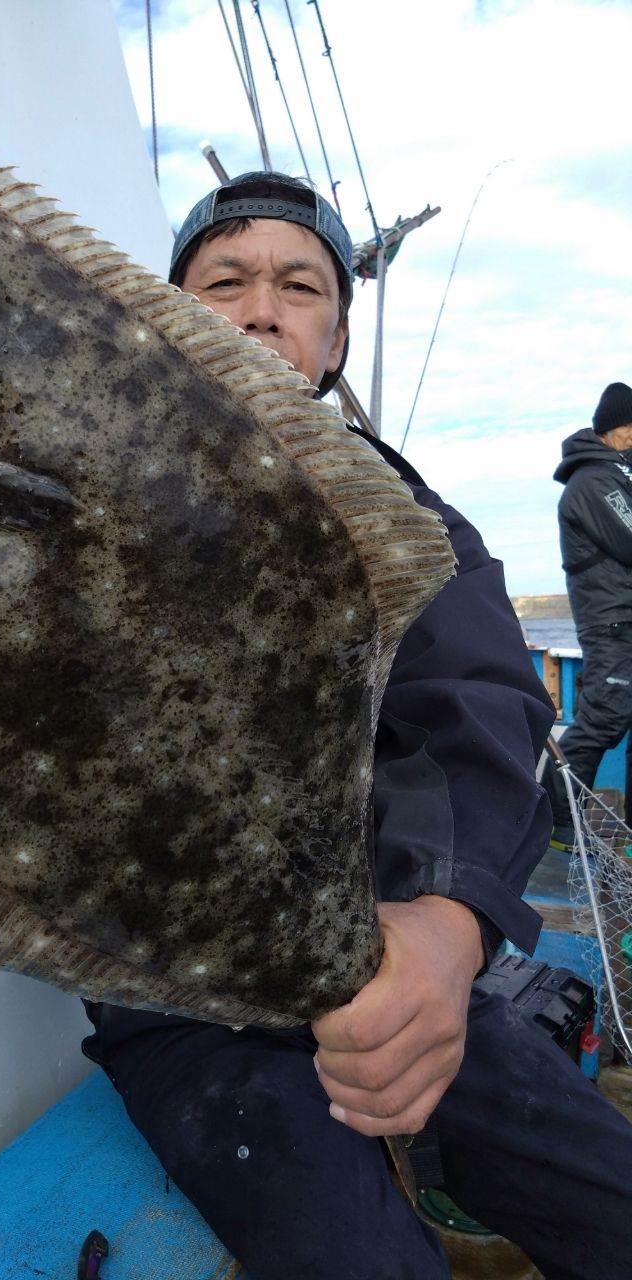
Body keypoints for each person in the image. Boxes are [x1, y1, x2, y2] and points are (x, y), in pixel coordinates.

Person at [81, 172, 632, 1278]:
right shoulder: (85, 486)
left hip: (381, 951)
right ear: (168, 317)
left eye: (299, 285)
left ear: (333, 340)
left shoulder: (409, 518)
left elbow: (479, 704)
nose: (259, 308)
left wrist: (444, 924)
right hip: (184, 998)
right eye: (223, 280)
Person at [541, 381, 632, 845]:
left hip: (623, 619)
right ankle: (557, 823)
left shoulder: (613, 476)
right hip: (613, 619)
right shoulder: (594, 482)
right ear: (615, 430)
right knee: (605, 718)